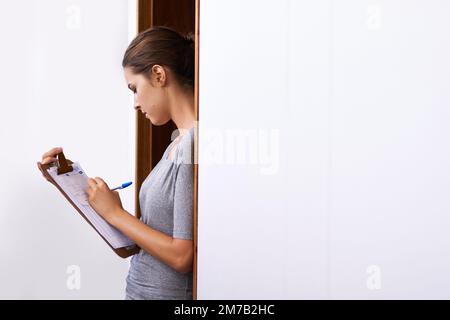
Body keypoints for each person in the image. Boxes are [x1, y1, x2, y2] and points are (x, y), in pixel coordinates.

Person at [38, 26, 195, 300]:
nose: (135, 103)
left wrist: (115, 214)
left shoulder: (193, 145)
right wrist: (69, 183)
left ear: (158, 75)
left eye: (134, 88)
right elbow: (157, 237)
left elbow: (182, 256)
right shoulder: (177, 144)